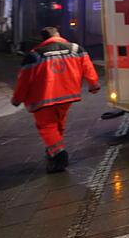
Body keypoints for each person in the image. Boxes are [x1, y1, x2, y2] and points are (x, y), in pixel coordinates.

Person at [12, 26, 100, 173]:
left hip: (44, 97)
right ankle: (53, 151)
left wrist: (17, 99)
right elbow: (88, 67)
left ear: (43, 38)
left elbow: (24, 81)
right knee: (59, 123)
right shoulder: (75, 49)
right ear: (58, 35)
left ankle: (59, 154)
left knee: (46, 126)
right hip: (68, 95)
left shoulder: (34, 55)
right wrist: (93, 84)